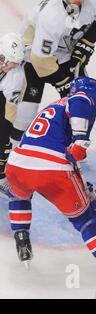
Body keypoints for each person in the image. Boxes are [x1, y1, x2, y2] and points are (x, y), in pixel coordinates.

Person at [5, 76, 96, 287]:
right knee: (85, 220)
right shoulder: (79, 97)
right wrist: (80, 139)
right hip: (51, 168)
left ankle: (22, 240)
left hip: (17, 164)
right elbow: (81, 100)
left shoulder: (52, 108)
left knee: (20, 197)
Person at [6, 0, 96, 168]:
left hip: (65, 53)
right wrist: (64, 83)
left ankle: (75, 146)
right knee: (25, 112)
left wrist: (84, 47)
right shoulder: (51, 15)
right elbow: (41, 60)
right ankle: (13, 156)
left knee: (81, 103)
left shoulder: (93, 3)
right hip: (32, 57)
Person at [0, 33, 26, 197]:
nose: (13, 66)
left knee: (4, 138)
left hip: (4, 97)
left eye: (17, 64)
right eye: (11, 63)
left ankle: (1, 177)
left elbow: (10, 109)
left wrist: (6, 135)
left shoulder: (16, 76)